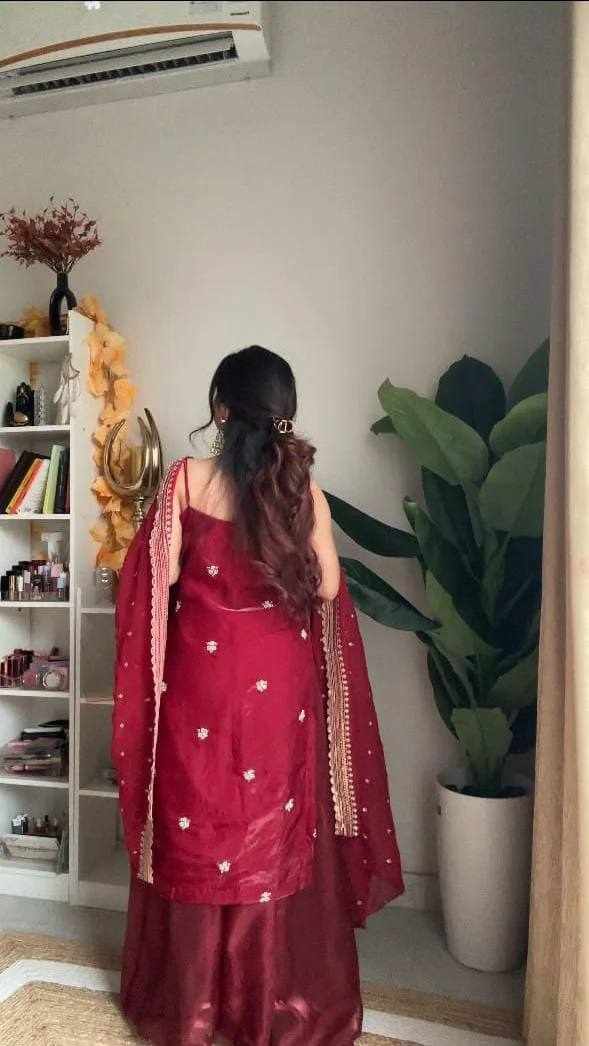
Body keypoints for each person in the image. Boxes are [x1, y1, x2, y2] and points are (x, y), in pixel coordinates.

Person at [113, 346, 404, 1046]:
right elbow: (328, 587)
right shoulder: (303, 492)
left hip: (202, 684)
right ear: (284, 413)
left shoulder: (185, 480)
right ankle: (262, 1001)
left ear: (221, 409)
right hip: (279, 689)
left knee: (200, 818)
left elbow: (158, 577)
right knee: (269, 825)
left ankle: (194, 1005)